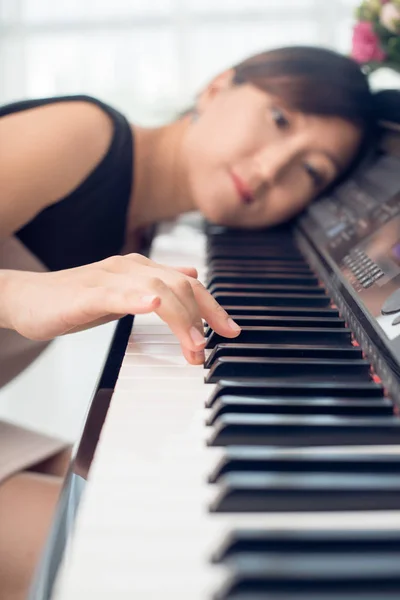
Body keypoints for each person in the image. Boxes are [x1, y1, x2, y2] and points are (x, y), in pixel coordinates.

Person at [0, 45, 381, 599]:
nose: (272, 169)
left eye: (310, 171)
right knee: (130, 561)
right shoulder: (83, 134)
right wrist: (20, 295)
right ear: (216, 88)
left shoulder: (154, 225)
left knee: (157, 504)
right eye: (279, 120)